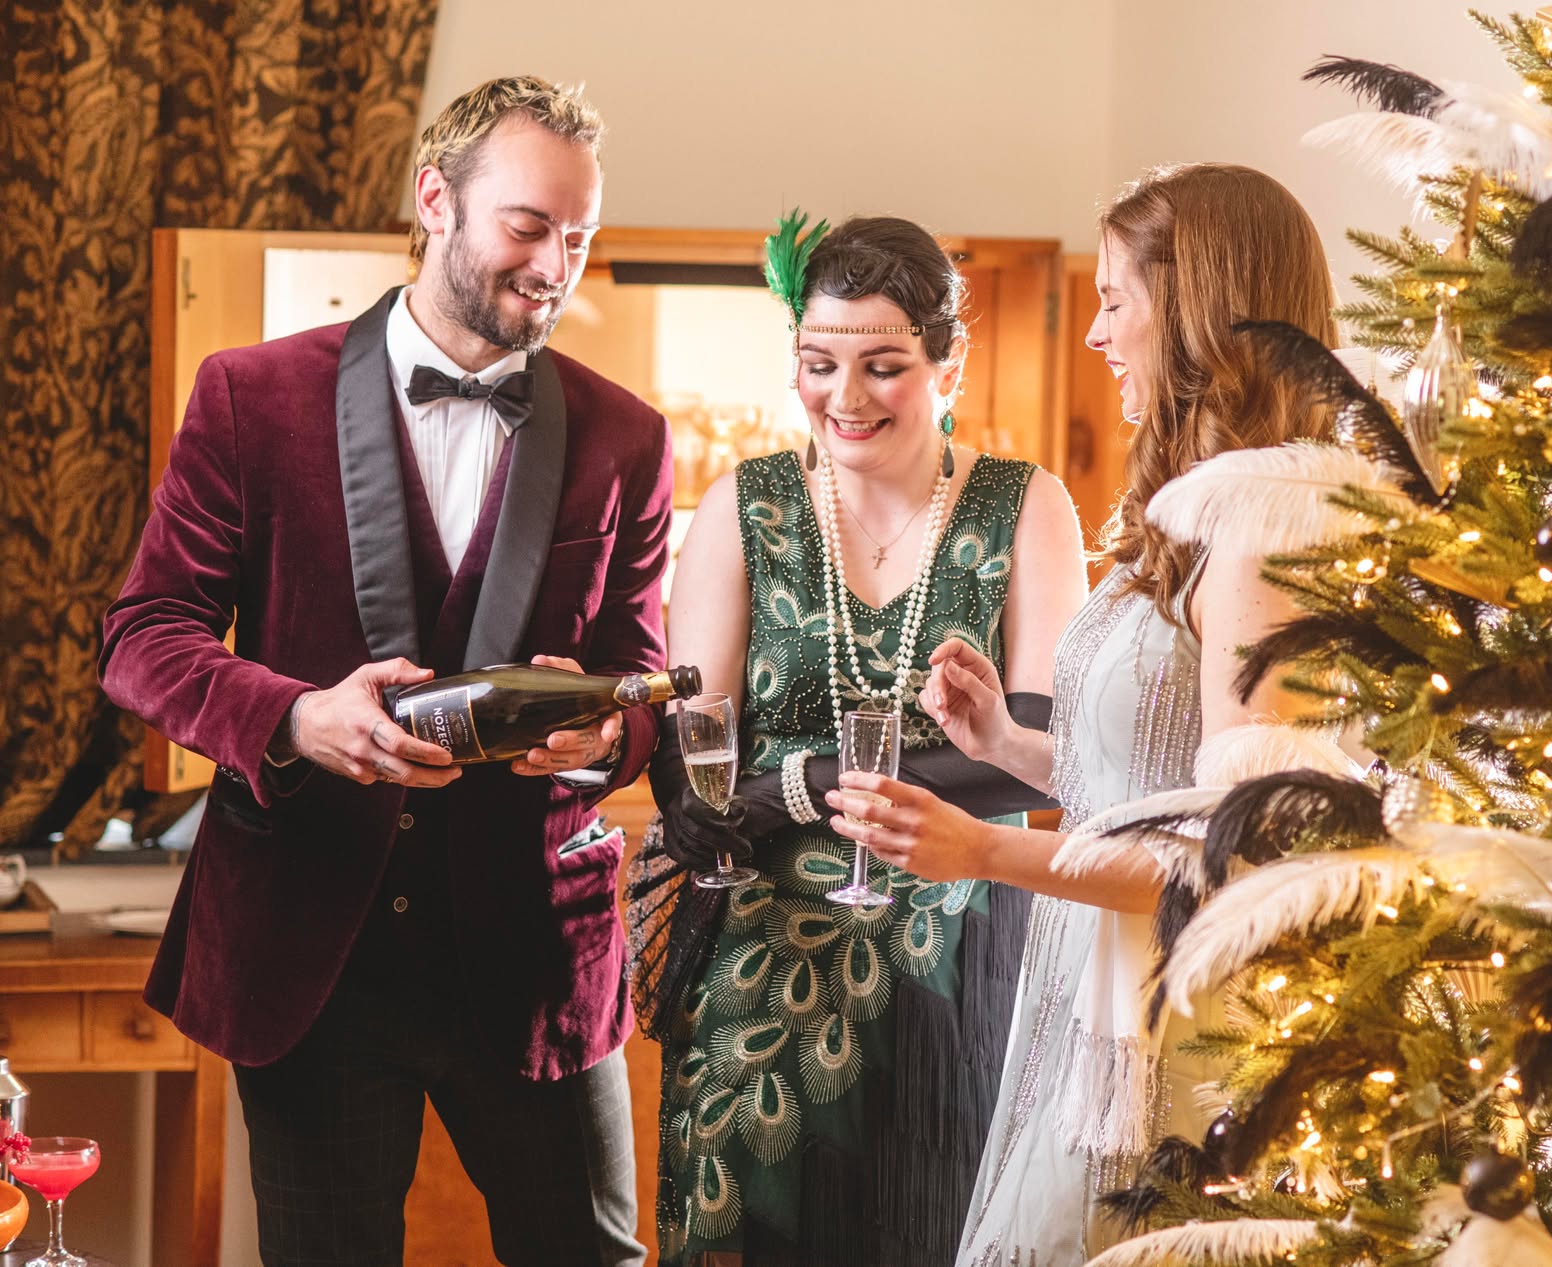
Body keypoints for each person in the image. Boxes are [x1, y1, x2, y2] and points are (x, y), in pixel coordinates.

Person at [99, 77, 666, 1267]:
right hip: (312, 952)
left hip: (535, 955)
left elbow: (638, 673)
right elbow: (146, 635)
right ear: (434, 200)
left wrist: (606, 735)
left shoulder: (626, 436)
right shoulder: (250, 397)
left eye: (579, 236)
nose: (555, 264)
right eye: (527, 226)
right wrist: (298, 716)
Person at [809, 164, 1341, 1267]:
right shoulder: (1192, 502)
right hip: (1083, 998)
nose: (1096, 334)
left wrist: (986, 847)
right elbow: (1156, 777)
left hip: (1164, 1026)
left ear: (1195, 304)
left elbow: (1237, 849)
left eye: (1113, 299)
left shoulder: (1262, 530)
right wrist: (1007, 743)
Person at [636, 214, 1089, 1265]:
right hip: (758, 953)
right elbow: (692, 735)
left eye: (882, 367)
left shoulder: (1028, 509)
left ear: (947, 361)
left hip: (964, 935)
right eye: (817, 363)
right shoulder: (741, 508)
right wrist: (704, 799)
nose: (844, 398)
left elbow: (1035, 749)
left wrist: (794, 785)